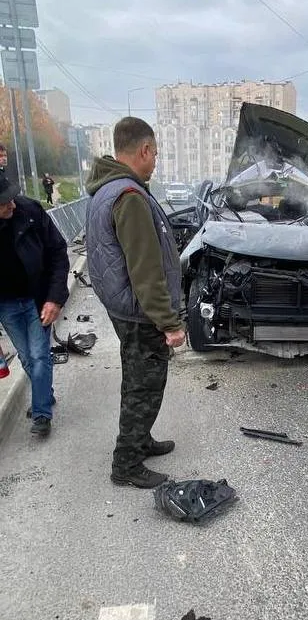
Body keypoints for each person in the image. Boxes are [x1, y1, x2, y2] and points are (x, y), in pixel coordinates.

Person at [86, 117, 186, 489]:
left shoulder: (105, 190)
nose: (156, 161)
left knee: (136, 380)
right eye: (155, 154)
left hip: (122, 307)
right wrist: (170, 323)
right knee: (145, 386)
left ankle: (140, 440)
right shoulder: (129, 197)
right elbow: (146, 270)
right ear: (144, 150)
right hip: (140, 313)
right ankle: (126, 464)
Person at [0, 175, 69, 436]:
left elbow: (58, 252)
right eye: (4, 202)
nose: (12, 205)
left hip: (36, 299)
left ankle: (41, 414)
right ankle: (45, 392)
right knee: (27, 357)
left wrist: (55, 298)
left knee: (39, 356)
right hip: (6, 305)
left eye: (11, 197)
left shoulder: (30, 211)